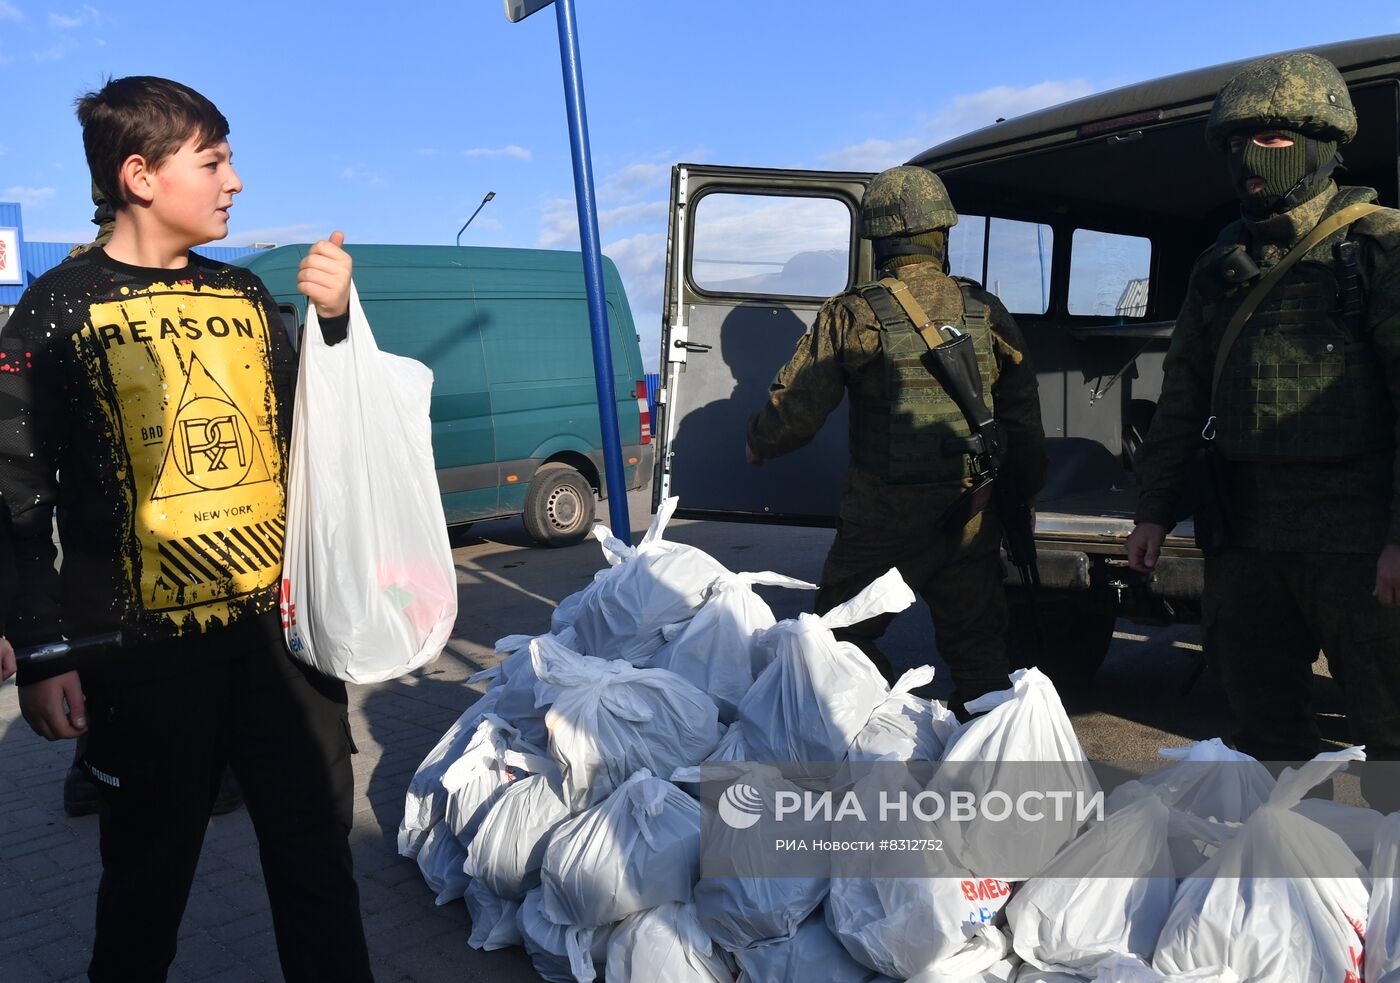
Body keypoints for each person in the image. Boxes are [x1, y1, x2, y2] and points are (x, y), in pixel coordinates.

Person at [0, 76, 374, 982]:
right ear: (139, 174)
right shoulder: (54, 310)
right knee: (144, 887)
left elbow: (321, 427)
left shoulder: (247, 296)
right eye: (213, 160)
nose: (235, 180)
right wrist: (44, 650)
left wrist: (335, 321)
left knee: (319, 866)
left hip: (283, 653)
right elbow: (13, 490)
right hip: (139, 664)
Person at [1126, 52, 1400, 790]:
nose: (1250, 162)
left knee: (1390, 730)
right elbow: (1183, 392)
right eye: (1235, 146)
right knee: (1263, 728)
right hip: (1245, 535)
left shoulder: (1378, 247)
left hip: (1356, 535)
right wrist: (1153, 511)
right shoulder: (1223, 262)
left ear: (1322, 145)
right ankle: (1291, 881)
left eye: (1273, 142)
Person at [746, 165, 1047, 706]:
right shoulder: (985, 310)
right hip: (970, 509)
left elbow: (797, 410)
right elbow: (1022, 417)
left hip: (879, 519)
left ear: (878, 238)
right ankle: (988, 768)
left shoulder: (854, 314)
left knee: (839, 640)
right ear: (942, 233)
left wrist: (758, 443)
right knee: (979, 656)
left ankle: (872, 734)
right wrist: (1020, 493)